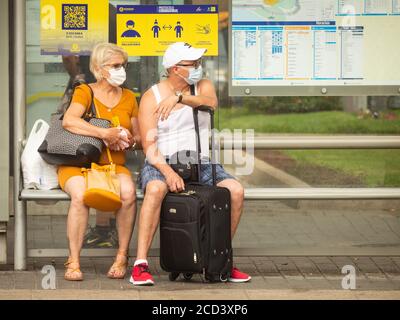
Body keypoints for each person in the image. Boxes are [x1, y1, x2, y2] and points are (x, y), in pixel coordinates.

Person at [130, 42, 251, 286]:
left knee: (235, 191)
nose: (198, 67)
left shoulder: (201, 86)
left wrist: (180, 98)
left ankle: (219, 260)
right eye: (192, 64)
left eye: (198, 63)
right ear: (175, 69)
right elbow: (149, 147)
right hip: (162, 161)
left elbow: (211, 103)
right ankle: (140, 264)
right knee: (155, 189)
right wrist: (167, 172)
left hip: (200, 162)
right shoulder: (151, 97)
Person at [59, 42, 141, 281]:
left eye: (123, 65)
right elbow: (69, 121)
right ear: (99, 67)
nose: (121, 70)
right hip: (79, 163)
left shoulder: (129, 97)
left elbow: (138, 138)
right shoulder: (85, 91)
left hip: (114, 166)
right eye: (115, 65)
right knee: (81, 195)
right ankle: (73, 260)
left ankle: (122, 256)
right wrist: (105, 134)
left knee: (128, 194)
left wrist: (127, 140)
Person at [61, 3, 119, 249]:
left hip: (86, 83)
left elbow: (67, 54)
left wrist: (76, 76)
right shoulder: (112, 11)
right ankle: (105, 228)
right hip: (105, 85)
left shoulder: (78, 10)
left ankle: (104, 228)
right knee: (102, 152)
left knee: (89, 152)